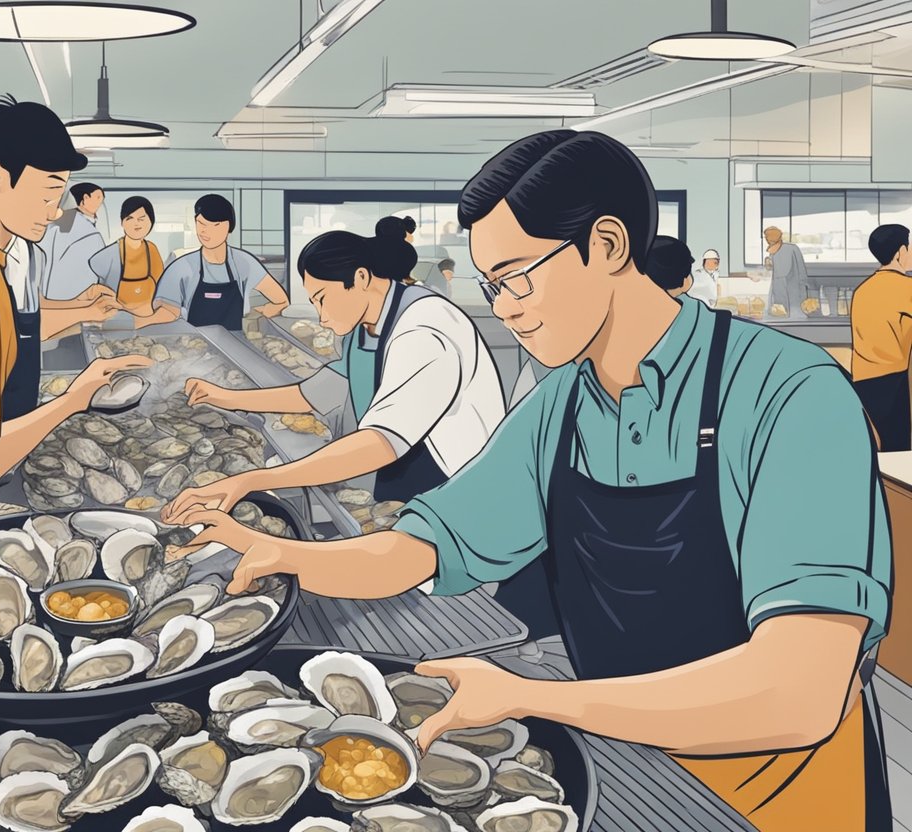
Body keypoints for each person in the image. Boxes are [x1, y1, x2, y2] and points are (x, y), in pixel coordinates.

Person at [179, 130, 892, 831]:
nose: (506, 306)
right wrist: (284, 556)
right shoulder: (564, 402)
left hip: (774, 791)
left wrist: (533, 698)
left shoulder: (789, 392)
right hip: (633, 757)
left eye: (518, 276)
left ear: (608, 246)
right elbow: (427, 545)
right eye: (492, 284)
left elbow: (800, 691)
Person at [164, 226, 506, 521]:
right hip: (405, 478)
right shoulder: (367, 325)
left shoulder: (424, 329)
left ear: (360, 277)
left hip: (454, 488)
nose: (322, 317)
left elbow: (379, 444)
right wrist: (225, 397)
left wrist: (251, 480)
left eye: (323, 299)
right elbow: (317, 393)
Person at [0, 97, 150, 498]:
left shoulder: (0, 256)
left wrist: (82, 312)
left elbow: (12, 333)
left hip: (12, 463)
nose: (54, 213)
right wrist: (72, 401)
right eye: (48, 194)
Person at [142, 194, 288, 330]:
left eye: (215, 225)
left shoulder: (243, 262)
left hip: (237, 345)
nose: (205, 231)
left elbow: (281, 301)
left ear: (229, 227)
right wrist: (135, 322)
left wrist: (255, 317)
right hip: (196, 346)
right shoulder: (181, 267)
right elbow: (169, 311)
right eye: (201, 223)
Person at [851, 223, 912, 451]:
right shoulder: (906, 287)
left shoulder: (864, 289)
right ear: (900, 252)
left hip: (862, 380)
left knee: (873, 448)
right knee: (896, 451)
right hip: (893, 381)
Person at [87, 196, 165, 313]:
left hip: (148, 313)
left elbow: (161, 283)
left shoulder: (152, 249)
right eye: (130, 218)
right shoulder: (111, 253)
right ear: (122, 223)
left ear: (151, 222)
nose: (136, 223)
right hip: (117, 315)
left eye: (141, 219)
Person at [40, 183, 107, 301]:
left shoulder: (56, 224)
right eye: (98, 197)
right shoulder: (89, 233)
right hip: (78, 294)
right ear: (85, 199)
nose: (101, 202)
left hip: (51, 293)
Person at [761, 226, 814, 318]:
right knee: (780, 312)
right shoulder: (772, 251)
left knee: (794, 313)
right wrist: (768, 264)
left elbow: (798, 269)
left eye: (767, 237)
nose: (766, 239)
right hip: (779, 287)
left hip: (793, 287)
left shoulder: (792, 249)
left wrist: (804, 283)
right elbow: (772, 269)